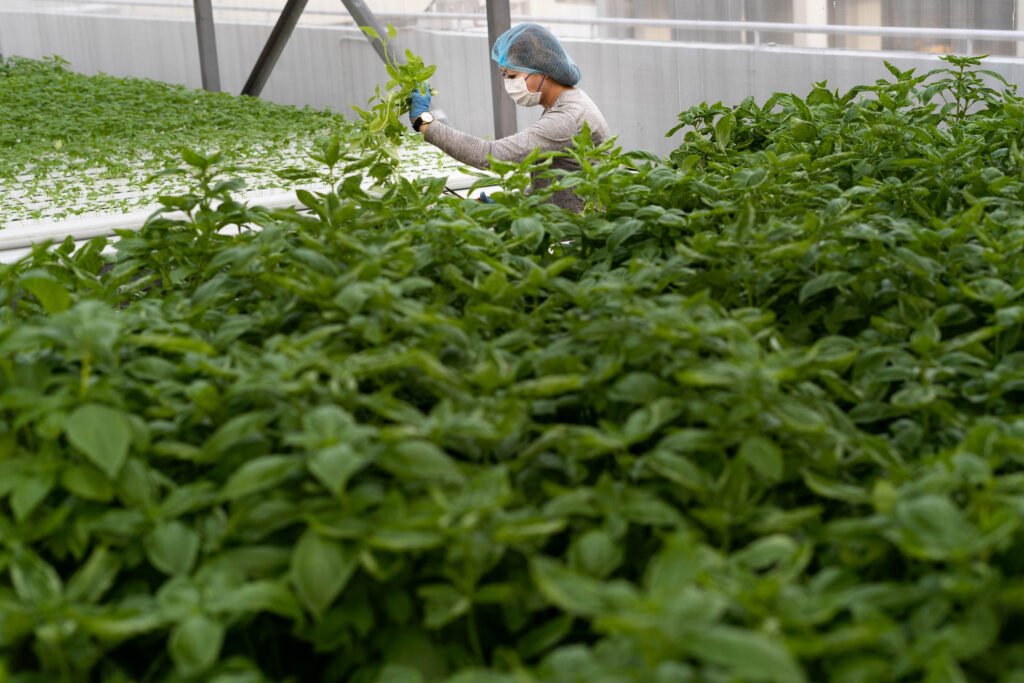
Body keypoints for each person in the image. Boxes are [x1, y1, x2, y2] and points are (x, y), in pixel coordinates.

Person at [409, 23, 611, 213]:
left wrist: (424, 122)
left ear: (544, 73)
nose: (507, 83)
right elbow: (556, 180)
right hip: (561, 223)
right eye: (503, 74)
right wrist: (511, 203)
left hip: (573, 235)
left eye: (513, 76)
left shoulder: (566, 118)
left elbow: (491, 155)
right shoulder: (566, 101)